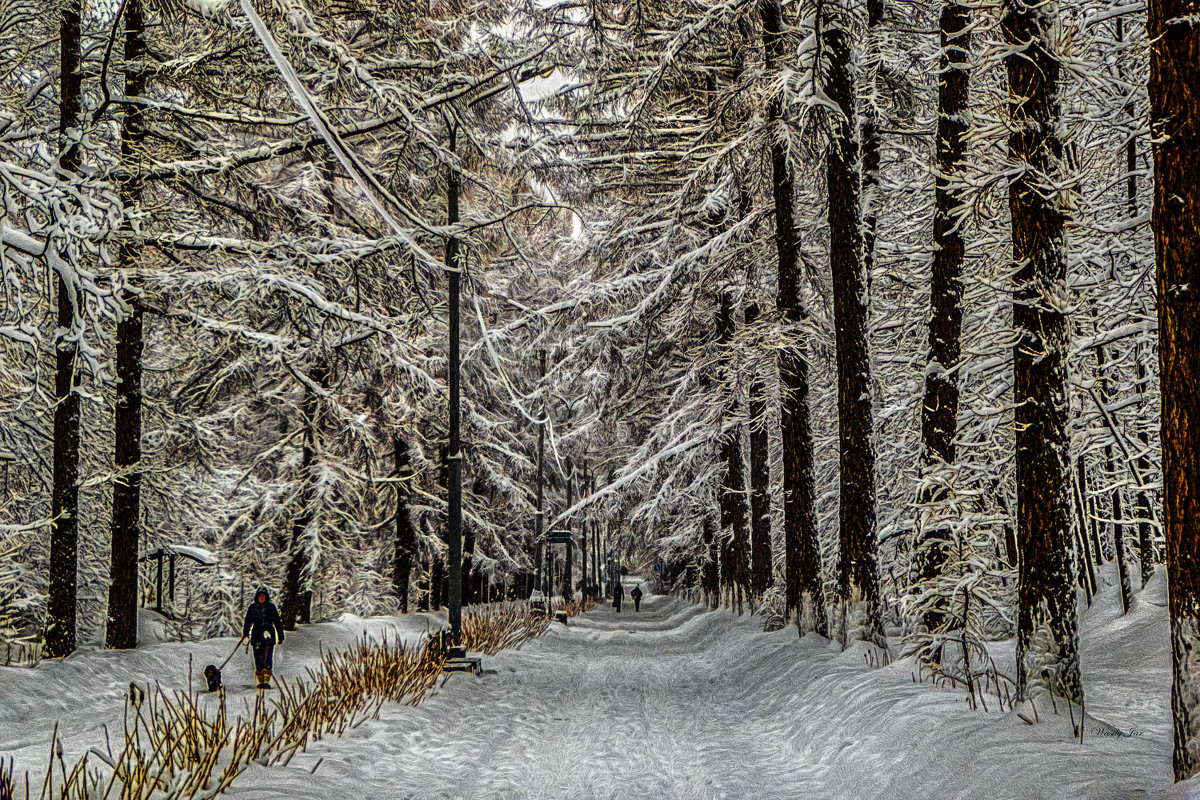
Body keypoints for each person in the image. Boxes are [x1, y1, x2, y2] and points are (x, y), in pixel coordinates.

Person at [243, 587, 285, 688]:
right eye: (260, 596)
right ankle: (260, 680)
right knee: (258, 658)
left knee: (267, 657)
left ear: (266, 597)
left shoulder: (271, 607)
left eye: (263, 596)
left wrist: (280, 635)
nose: (261, 598)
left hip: (268, 635)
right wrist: (245, 633)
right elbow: (248, 621)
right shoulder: (252, 608)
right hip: (256, 635)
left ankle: (266, 680)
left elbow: (277, 621)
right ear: (257, 597)